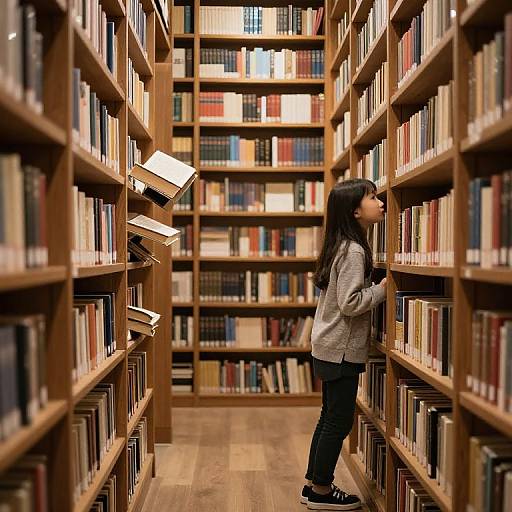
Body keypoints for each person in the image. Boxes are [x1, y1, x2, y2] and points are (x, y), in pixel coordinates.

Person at [301, 179, 386, 511]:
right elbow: (351, 304)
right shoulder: (352, 250)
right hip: (340, 348)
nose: (380, 203)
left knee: (329, 417)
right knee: (338, 420)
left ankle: (314, 485)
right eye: (373, 198)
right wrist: (383, 289)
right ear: (355, 210)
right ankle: (321, 490)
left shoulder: (342, 244)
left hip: (328, 344)